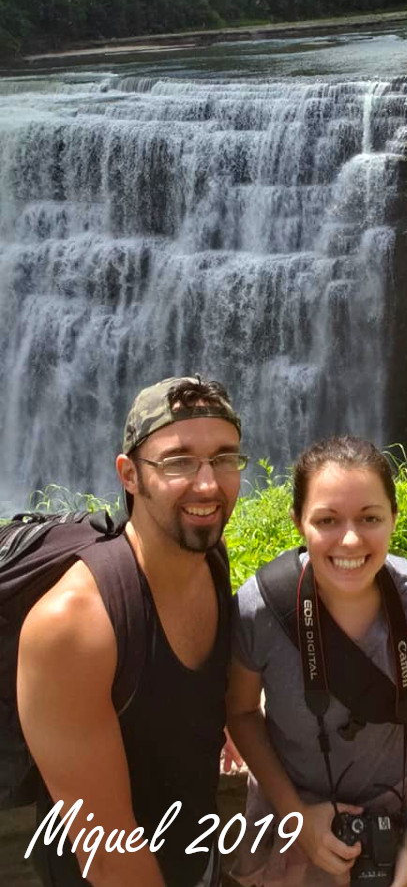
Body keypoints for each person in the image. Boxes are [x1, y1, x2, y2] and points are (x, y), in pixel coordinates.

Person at [17, 375, 247, 887]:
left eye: (224, 458)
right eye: (178, 461)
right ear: (130, 475)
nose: (208, 484)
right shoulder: (75, 626)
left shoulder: (208, 555)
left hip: (197, 858)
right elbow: (108, 858)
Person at [226, 435, 407, 887]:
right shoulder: (259, 611)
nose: (351, 539)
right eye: (327, 520)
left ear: (395, 517)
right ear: (298, 521)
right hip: (293, 811)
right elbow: (240, 712)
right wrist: (297, 818)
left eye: (370, 518)